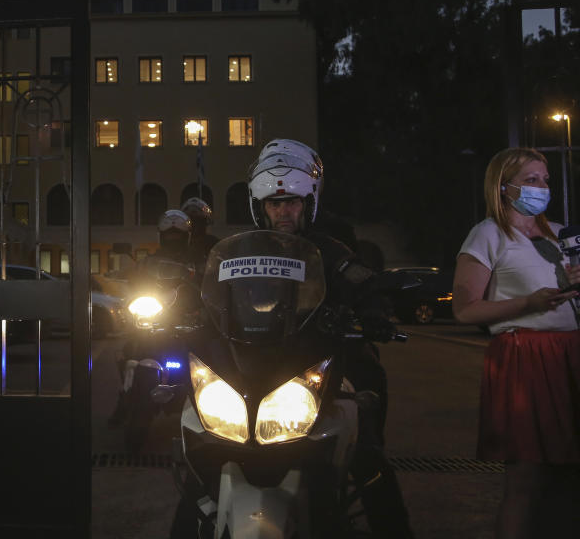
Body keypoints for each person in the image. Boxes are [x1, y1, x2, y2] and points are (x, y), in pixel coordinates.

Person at [172, 138, 414, 538]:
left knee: (367, 453)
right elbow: (207, 290)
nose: (283, 211)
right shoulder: (237, 256)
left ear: (309, 203)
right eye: (274, 203)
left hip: (312, 359)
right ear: (259, 206)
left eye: (293, 203)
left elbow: (365, 284)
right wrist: (184, 307)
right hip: (253, 361)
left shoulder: (330, 251)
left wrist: (373, 313)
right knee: (202, 460)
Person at [452, 147, 580, 538]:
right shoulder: (488, 234)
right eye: (531, 180)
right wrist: (528, 303)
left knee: (570, 480)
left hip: (571, 357)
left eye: (545, 180)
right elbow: (464, 309)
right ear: (504, 187)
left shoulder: (562, 235)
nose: (542, 187)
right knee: (526, 479)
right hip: (526, 360)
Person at [108, 209, 195, 427]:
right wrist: (125, 280)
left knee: (203, 357)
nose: (173, 239)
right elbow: (135, 278)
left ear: (187, 237)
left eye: (178, 235)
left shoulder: (198, 261)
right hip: (157, 314)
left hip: (187, 317)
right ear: (161, 236)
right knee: (129, 349)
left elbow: (212, 284)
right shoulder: (149, 262)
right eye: (169, 235)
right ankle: (124, 398)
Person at [179, 197, 219, 276]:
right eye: (191, 221)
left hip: (207, 285)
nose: (194, 225)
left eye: (198, 220)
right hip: (178, 285)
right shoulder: (177, 243)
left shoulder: (215, 244)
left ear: (206, 222)